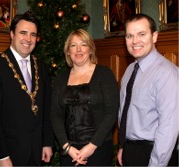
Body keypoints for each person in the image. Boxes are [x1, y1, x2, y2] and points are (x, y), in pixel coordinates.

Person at [0, 10, 54, 166]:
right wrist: (2, 156)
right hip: (9, 154)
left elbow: (46, 109)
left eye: (33, 35)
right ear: (12, 34)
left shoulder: (42, 67)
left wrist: (47, 142)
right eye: (23, 33)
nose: (28, 39)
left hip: (37, 150)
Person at [50, 29, 120, 166]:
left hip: (98, 149)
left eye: (83, 44)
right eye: (73, 45)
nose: (78, 49)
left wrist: (91, 146)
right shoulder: (61, 78)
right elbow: (55, 115)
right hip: (69, 152)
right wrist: (67, 147)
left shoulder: (104, 74)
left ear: (91, 49)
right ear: (68, 52)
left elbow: (111, 112)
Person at [117, 13, 178, 166]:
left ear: (154, 36)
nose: (135, 41)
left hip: (154, 154)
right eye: (129, 36)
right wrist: (123, 146)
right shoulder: (130, 70)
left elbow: (168, 128)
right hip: (130, 150)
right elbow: (126, 114)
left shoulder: (167, 73)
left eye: (141, 34)